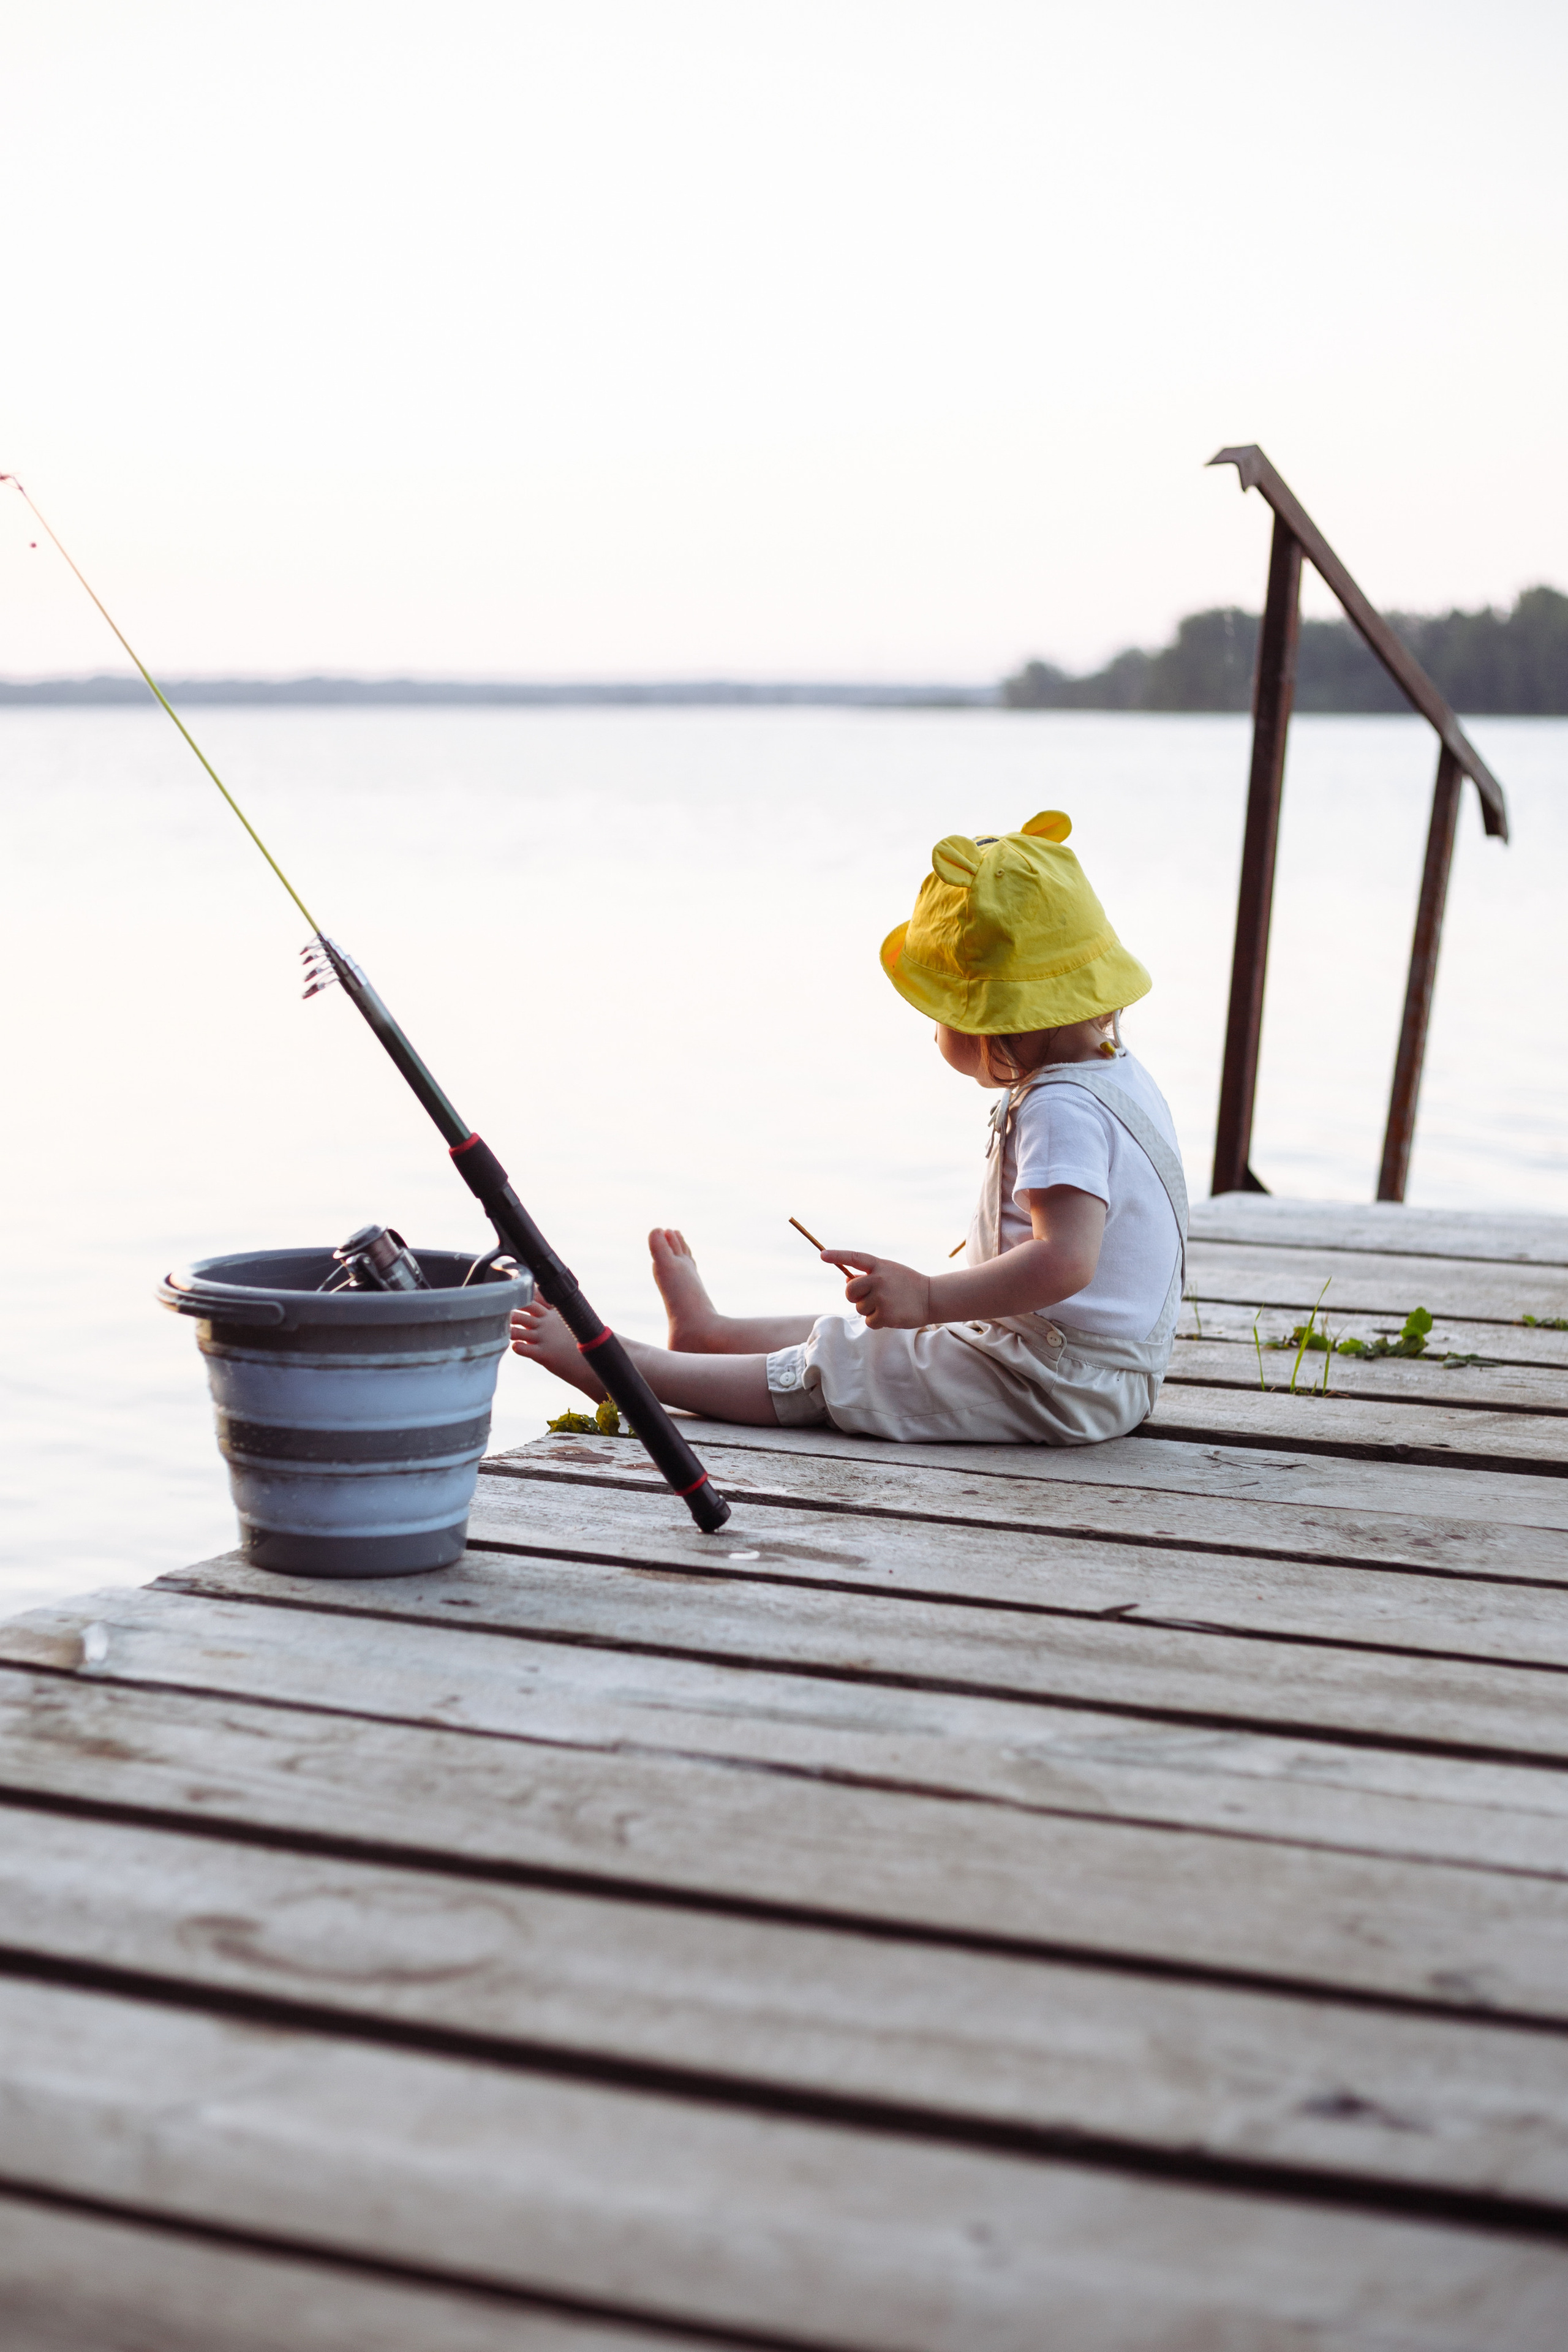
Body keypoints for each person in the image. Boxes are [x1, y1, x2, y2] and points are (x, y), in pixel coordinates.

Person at [510, 809, 1186, 1446]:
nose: (934, 1030)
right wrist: (928, 1306)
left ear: (992, 1020)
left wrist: (929, 1296)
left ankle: (631, 1371)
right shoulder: (1115, 1074)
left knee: (843, 1368)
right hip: (1079, 1367)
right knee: (867, 1337)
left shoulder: (1060, 1108)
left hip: (1057, 1384)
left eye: (939, 1011)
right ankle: (710, 1336)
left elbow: (1066, 1260)